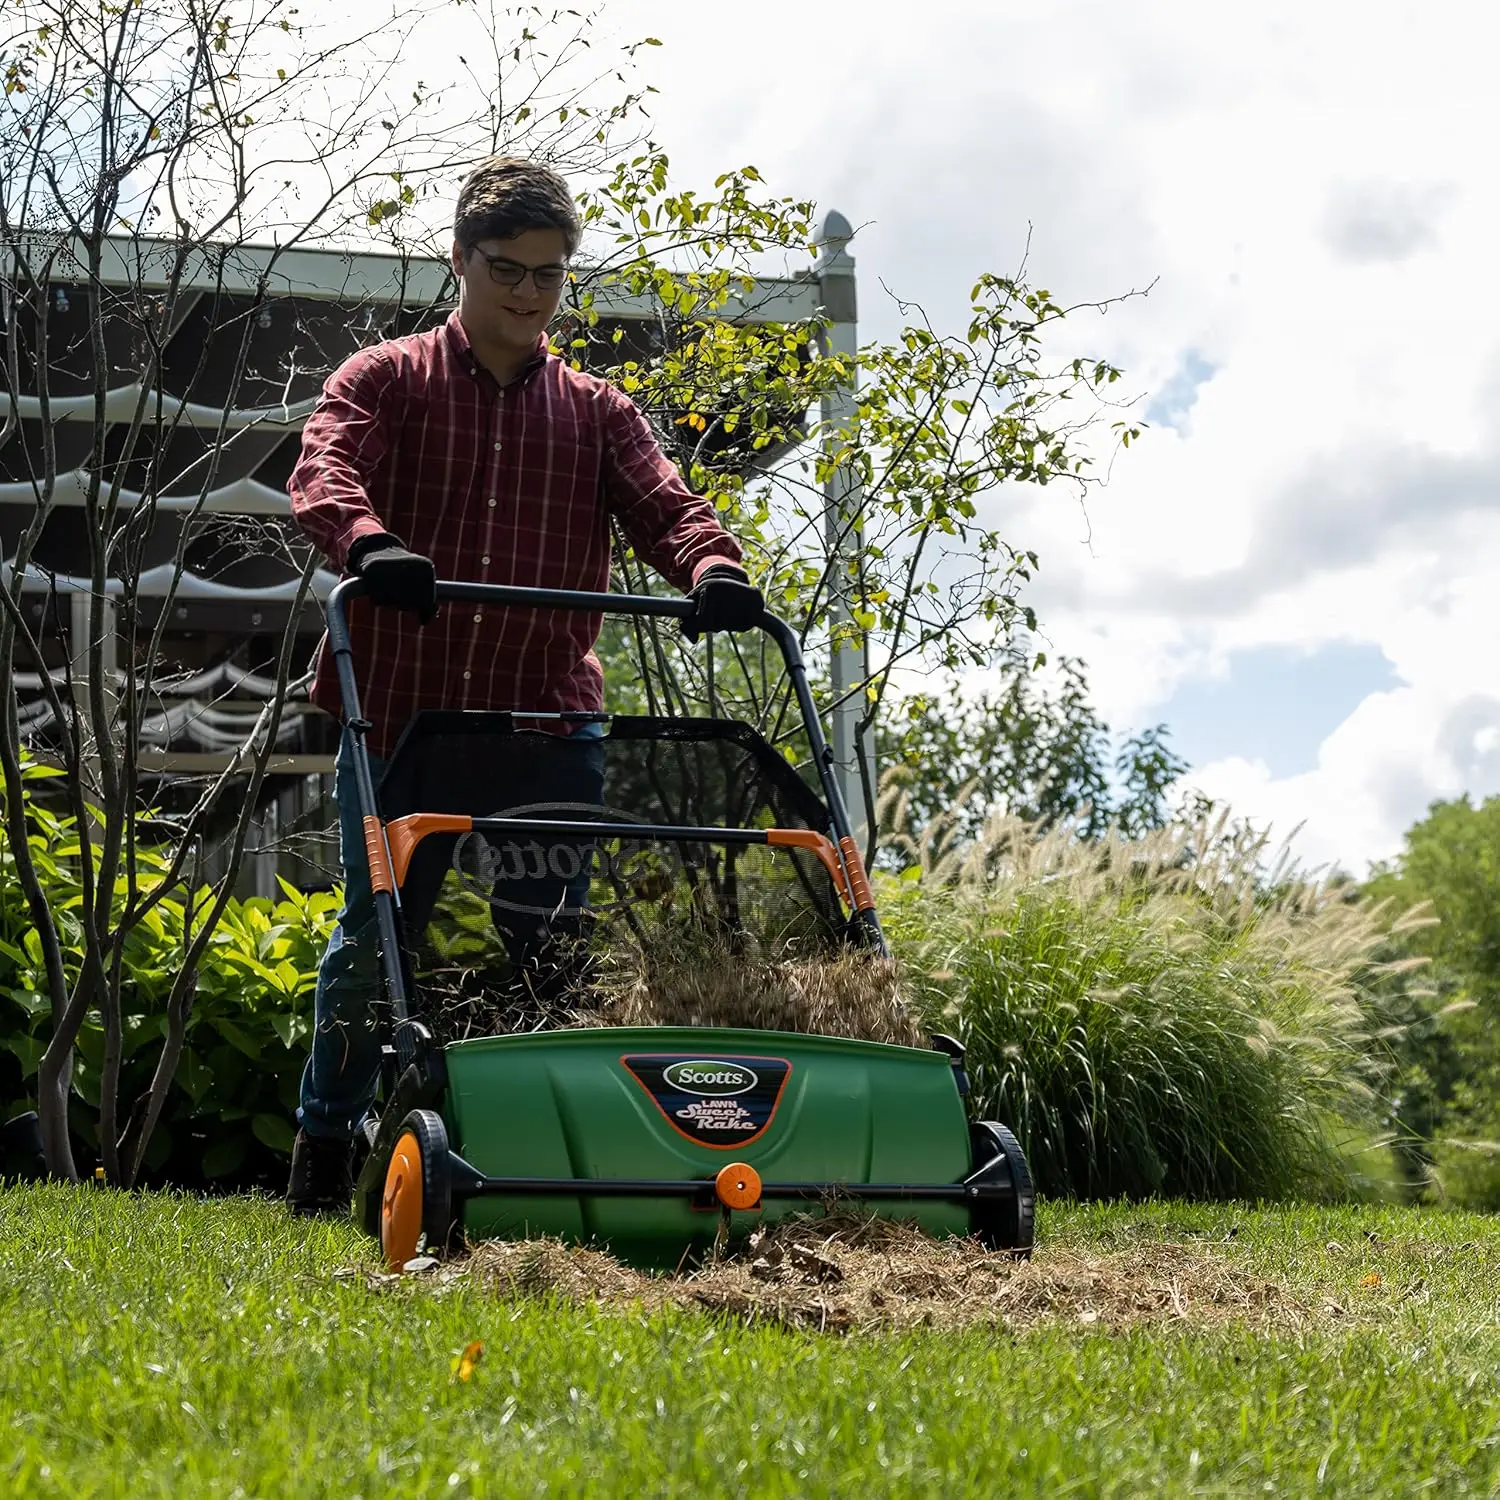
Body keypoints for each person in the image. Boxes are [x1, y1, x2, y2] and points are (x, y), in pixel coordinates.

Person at [284, 156, 763, 1215]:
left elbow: (666, 503)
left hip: (547, 718)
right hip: (403, 716)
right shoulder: (387, 379)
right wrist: (369, 546)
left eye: (551, 275)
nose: (530, 294)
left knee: (549, 949)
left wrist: (712, 569)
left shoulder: (596, 413)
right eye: (508, 269)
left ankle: (546, 1169)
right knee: (376, 945)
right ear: (459, 260)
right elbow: (324, 470)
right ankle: (325, 1151)